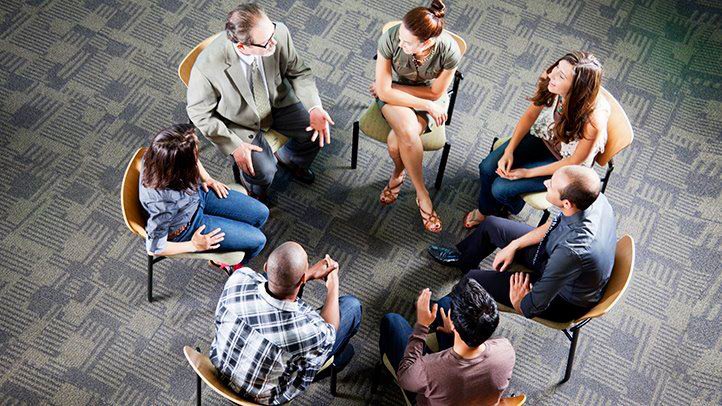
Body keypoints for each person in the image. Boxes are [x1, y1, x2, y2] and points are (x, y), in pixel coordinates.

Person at [429, 165, 616, 322]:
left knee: (472, 280)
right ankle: (465, 260)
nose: (546, 183)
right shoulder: (592, 197)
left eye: (551, 185)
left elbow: (531, 307)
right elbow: (555, 224)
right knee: (491, 225)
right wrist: (515, 245)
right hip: (555, 256)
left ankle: (435, 316)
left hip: (562, 298)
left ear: (567, 203)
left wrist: (518, 301)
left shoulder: (571, 251)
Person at [187, 3, 334, 200]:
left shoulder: (278, 32)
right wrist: (234, 146)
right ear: (242, 46)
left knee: (317, 130)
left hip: (277, 101)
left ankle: (291, 159)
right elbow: (198, 113)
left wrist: (315, 107)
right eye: (267, 42)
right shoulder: (207, 67)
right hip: (239, 121)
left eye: (272, 34)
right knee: (263, 170)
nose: (274, 42)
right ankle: (255, 193)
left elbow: (299, 72)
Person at [463, 51, 610, 229]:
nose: (552, 75)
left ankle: (496, 208)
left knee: (499, 188)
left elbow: (573, 161)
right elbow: (530, 116)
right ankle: (489, 209)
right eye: (557, 67)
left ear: (577, 88)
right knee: (487, 168)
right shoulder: (551, 81)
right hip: (544, 137)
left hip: (564, 163)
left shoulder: (593, 121)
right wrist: (509, 150)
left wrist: (527, 173)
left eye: (561, 76)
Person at [210, 242, 362, 405]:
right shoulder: (309, 332)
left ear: (266, 266)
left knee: (272, 282)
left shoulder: (238, 279)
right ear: (302, 278)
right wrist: (333, 284)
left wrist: (306, 275)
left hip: (220, 372)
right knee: (352, 307)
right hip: (263, 398)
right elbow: (329, 331)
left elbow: (271, 281)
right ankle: (338, 360)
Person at [370, 0, 461, 233]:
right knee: (408, 132)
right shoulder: (390, 38)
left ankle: (398, 174)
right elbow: (384, 93)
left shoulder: (449, 51)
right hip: (401, 99)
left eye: (407, 42)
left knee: (395, 143)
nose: (400, 44)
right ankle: (423, 194)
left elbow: (435, 92)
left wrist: (390, 87)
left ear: (427, 42)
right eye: (400, 37)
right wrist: (424, 104)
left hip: (424, 95)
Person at [139, 123, 268, 267]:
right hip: (188, 226)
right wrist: (194, 245)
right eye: (195, 148)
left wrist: (207, 178)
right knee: (259, 240)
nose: (198, 146)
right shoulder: (162, 205)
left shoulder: (160, 154)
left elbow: (191, 157)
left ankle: (239, 237)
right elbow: (153, 247)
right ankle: (225, 263)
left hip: (196, 196)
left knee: (261, 213)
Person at [379, 279, 515, 405]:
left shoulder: (428, 369)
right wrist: (454, 333)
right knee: (444, 304)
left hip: (429, 390)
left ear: (454, 325)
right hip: (472, 396)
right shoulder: (506, 349)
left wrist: (422, 326)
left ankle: (384, 369)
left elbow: (405, 378)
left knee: (393, 321)